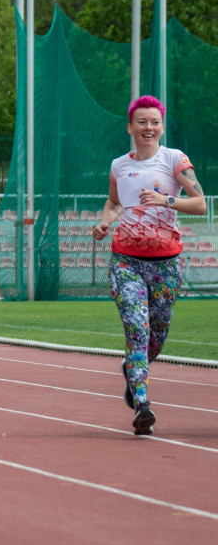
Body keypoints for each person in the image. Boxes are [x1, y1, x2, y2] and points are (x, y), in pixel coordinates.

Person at [91, 95, 206, 435]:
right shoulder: (118, 166)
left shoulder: (175, 160)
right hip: (126, 261)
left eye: (154, 122)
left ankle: (132, 369)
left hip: (166, 264)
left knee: (156, 337)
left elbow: (200, 204)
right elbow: (113, 202)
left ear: (162, 127)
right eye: (142, 121)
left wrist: (165, 199)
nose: (148, 127)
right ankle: (142, 403)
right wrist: (104, 221)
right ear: (131, 127)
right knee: (137, 329)